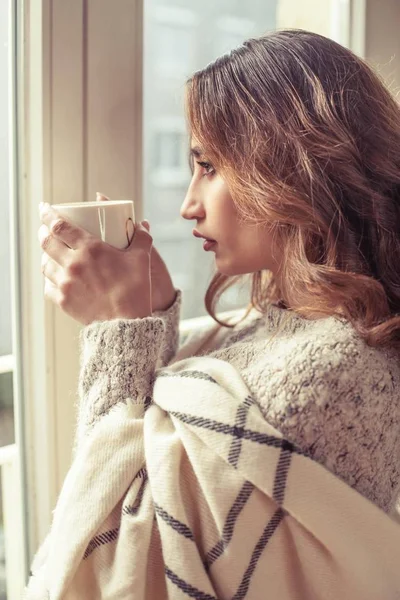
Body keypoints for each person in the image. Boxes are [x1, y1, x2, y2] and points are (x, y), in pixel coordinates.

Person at [25, 29, 400, 599]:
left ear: (292, 169)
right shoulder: (291, 325)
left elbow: (109, 565)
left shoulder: (330, 369)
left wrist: (121, 327)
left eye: (208, 166)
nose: (187, 205)